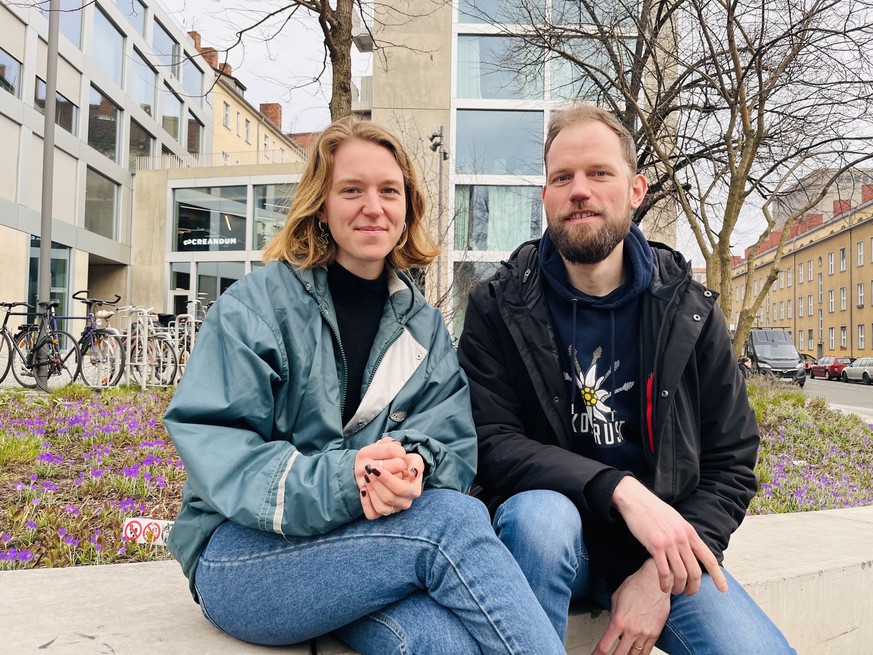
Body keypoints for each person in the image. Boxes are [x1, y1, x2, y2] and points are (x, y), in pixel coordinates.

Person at [163, 117, 565, 655]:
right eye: (351, 190)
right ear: (321, 205)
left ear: (407, 208)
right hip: (242, 555)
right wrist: (348, 478)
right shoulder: (255, 308)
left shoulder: (423, 327)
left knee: (441, 643)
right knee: (453, 521)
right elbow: (221, 447)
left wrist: (414, 467)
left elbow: (451, 445)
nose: (372, 206)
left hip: (363, 550)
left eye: (389, 191)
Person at [457, 103, 795, 655]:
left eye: (599, 174)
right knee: (541, 516)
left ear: (635, 190)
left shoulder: (688, 309)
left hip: (659, 553)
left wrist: (662, 577)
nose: (579, 191)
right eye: (561, 177)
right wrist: (619, 489)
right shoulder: (498, 306)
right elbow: (491, 443)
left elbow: (732, 458)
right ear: (544, 196)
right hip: (546, 541)